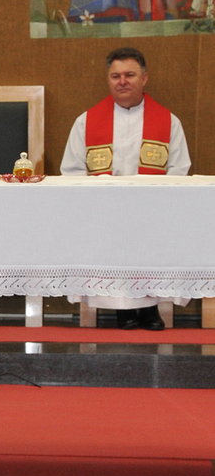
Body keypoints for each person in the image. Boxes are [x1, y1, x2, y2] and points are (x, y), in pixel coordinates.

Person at [60, 46, 192, 330]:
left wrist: (158, 201)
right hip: (104, 211)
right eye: (115, 76)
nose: (122, 81)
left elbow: (179, 168)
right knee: (111, 239)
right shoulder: (86, 122)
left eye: (129, 75)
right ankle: (122, 310)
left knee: (153, 241)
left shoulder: (168, 122)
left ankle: (150, 309)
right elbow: (71, 169)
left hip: (153, 209)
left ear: (144, 78)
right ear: (108, 80)